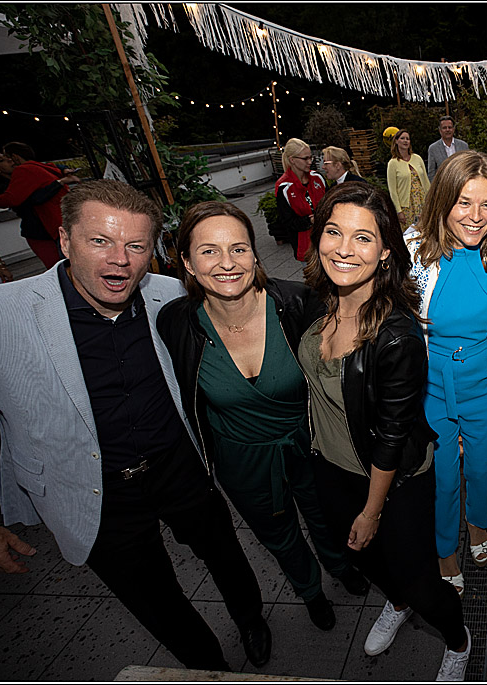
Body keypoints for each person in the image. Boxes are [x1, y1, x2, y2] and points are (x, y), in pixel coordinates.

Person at [0, 179, 270, 671]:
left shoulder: (172, 298)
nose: (120, 259)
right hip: (89, 491)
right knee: (154, 598)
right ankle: (208, 668)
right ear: (64, 240)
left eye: (136, 245)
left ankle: (252, 619)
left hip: (181, 468)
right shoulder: (3, 315)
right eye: (100, 240)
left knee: (226, 555)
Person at [156, 201, 370, 635]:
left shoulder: (295, 304)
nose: (227, 263)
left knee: (325, 517)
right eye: (209, 251)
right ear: (187, 263)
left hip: (308, 444)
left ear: (255, 254)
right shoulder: (175, 323)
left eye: (238, 248)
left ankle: (339, 565)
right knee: (279, 535)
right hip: (241, 459)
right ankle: (310, 591)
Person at [299, 181, 471, 681]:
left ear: (386, 252)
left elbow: (392, 436)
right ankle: (394, 603)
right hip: (330, 468)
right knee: (364, 562)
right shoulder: (315, 302)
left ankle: (457, 638)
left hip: (392, 482)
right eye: (334, 232)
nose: (344, 249)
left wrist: (373, 510)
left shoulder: (397, 335)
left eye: (363, 238)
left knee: (421, 580)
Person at [408, 150, 487, 596]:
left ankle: (477, 525)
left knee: (479, 465)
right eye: (464, 203)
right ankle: (444, 550)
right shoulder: (415, 249)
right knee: (441, 476)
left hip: (486, 384)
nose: (476, 217)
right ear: (443, 202)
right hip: (431, 386)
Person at [0, 142, 78, 268]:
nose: (8, 160)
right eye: (2, 159)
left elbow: (14, 199)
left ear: (15, 157)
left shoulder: (25, 170)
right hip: (47, 229)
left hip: (54, 227)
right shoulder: (29, 170)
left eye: (7, 156)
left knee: (65, 269)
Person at [274, 137, 327, 261]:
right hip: (306, 247)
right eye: (305, 158)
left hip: (328, 240)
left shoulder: (317, 178)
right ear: (292, 160)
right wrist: (310, 221)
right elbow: (287, 222)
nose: (310, 161)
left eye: (311, 157)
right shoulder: (284, 187)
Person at [387, 130, 430, 229]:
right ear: (396, 141)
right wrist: (398, 211)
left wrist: (430, 200)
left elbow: (426, 182)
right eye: (402, 138)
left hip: (422, 201)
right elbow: (393, 191)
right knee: (410, 234)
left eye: (408, 139)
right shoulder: (393, 163)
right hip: (406, 206)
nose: (405, 141)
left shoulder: (417, 158)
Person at [426, 116, 469, 182]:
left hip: (461, 184)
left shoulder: (464, 146)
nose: (447, 130)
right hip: (443, 187)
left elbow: (468, 167)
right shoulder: (433, 148)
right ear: (440, 130)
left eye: (450, 127)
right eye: (444, 128)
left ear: (453, 129)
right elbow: (431, 173)